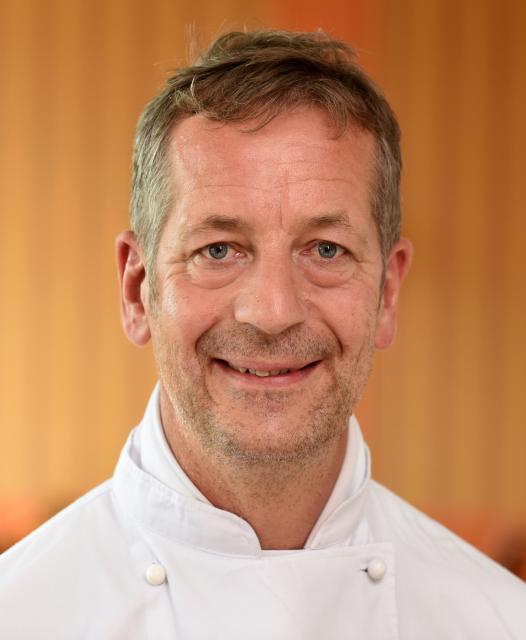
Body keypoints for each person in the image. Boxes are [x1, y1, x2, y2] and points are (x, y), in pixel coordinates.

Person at [0, 29, 524, 639]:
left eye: (325, 249)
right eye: (218, 249)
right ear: (137, 288)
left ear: (387, 293)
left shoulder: (500, 619)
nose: (273, 311)